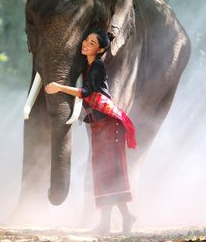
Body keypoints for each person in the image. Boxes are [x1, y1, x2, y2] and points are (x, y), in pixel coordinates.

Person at [45, 30, 137, 235]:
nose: (86, 43)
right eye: (86, 39)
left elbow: (86, 92)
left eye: (92, 42)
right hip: (100, 125)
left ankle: (119, 220)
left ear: (101, 49)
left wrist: (58, 87)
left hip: (109, 125)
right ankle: (117, 221)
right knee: (103, 172)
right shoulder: (89, 66)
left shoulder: (97, 66)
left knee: (110, 173)